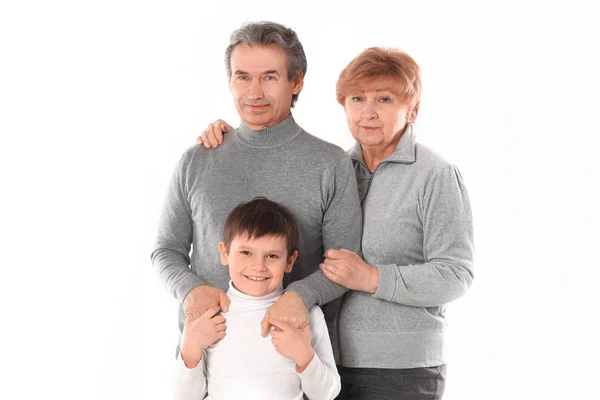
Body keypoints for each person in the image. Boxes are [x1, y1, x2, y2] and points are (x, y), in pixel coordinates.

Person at [196, 47, 474, 400]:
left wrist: (371, 278)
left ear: (412, 109)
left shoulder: (435, 175)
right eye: (357, 98)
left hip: (399, 370)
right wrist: (233, 139)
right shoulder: (335, 168)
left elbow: (456, 274)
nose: (368, 111)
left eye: (384, 99)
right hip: (321, 361)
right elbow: (271, 226)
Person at [151, 20, 362, 364]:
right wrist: (190, 289)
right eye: (242, 76)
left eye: (269, 76)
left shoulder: (330, 164)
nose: (254, 93)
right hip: (206, 365)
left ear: (297, 82)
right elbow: (165, 250)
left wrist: (301, 294)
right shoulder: (197, 160)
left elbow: (344, 266)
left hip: (295, 369)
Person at [174, 198, 340, 399]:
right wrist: (191, 349)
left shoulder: (306, 315)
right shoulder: (208, 315)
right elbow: (185, 396)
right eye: (246, 252)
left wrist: (304, 355)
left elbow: (327, 394)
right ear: (224, 253)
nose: (259, 266)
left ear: (289, 261)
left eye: (272, 256)